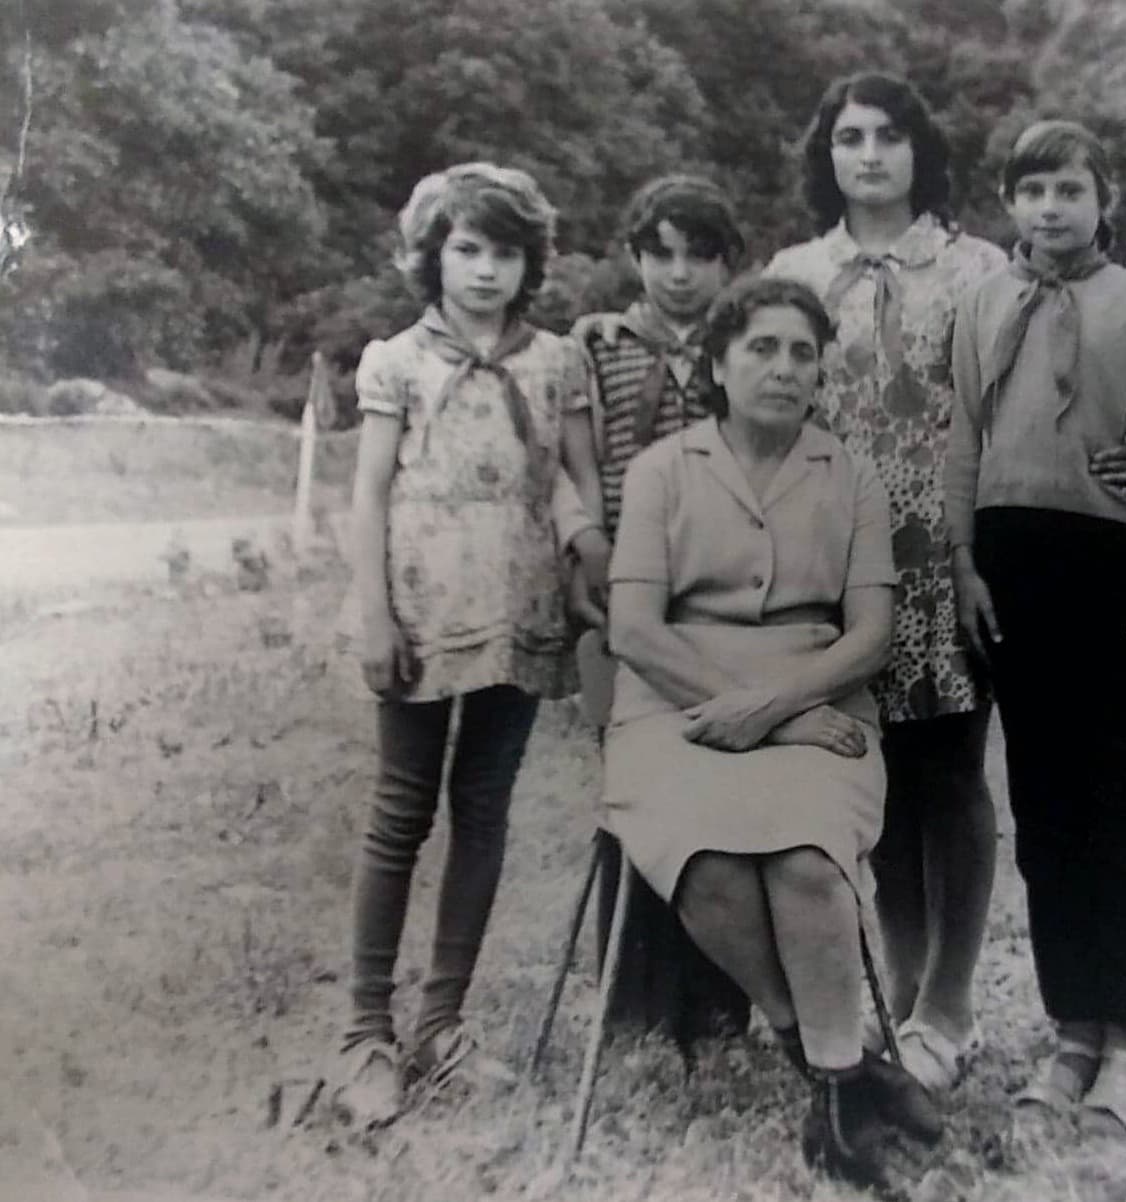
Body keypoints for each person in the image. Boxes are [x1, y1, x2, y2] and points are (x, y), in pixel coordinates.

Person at [766, 72, 1126, 1092]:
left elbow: (1043, 400)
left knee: (951, 772)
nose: (870, 154)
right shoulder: (797, 270)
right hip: (836, 555)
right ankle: (905, 997)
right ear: (828, 154)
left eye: (890, 135)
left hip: (954, 555)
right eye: (849, 136)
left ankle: (951, 998)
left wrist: (1119, 470)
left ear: (919, 151)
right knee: (878, 781)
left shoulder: (981, 268)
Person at [603, 276, 941, 1197]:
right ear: (716, 363)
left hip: (821, 701)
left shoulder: (850, 473)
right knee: (707, 861)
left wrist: (786, 705)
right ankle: (842, 1072)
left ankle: (833, 1098)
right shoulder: (662, 469)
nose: (783, 369)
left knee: (802, 858)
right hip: (675, 704)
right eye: (761, 349)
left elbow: (869, 634)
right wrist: (764, 710)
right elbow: (633, 631)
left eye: (802, 353)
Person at [331, 162, 608, 1127]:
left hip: (521, 604)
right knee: (400, 812)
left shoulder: (559, 361)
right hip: (418, 606)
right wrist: (375, 615)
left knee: (483, 808)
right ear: (433, 256)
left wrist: (587, 566)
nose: (486, 271)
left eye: (505, 252)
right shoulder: (397, 359)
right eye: (467, 250)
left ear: (531, 262)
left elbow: (578, 483)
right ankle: (366, 1034)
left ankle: (443, 1025)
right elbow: (367, 495)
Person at [945, 119, 1126, 1136]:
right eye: (1032, 190)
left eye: (1070, 189)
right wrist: (963, 564)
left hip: (1108, 565)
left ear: (1106, 200)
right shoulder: (983, 301)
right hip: (1008, 566)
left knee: (1114, 794)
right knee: (1044, 805)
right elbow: (961, 435)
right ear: (1009, 203)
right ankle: (1072, 1029)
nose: (1051, 208)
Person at [575, 174, 753, 1043]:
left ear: (728, 264)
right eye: (661, 255)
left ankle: (718, 992)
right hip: (625, 593)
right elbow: (577, 465)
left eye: (699, 256)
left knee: (719, 784)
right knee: (633, 783)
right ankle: (632, 995)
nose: (679, 274)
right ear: (636, 258)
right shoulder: (600, 345)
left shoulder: (746, 347)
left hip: (719, 595)